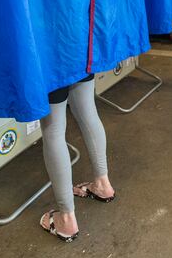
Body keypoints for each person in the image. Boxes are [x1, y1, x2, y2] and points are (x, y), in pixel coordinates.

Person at [39, 76, 116, 242]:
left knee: (53, 131)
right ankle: (103, 185)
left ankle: (66, 219)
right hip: (76, 51)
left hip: (47, 58)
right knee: (88, 112)